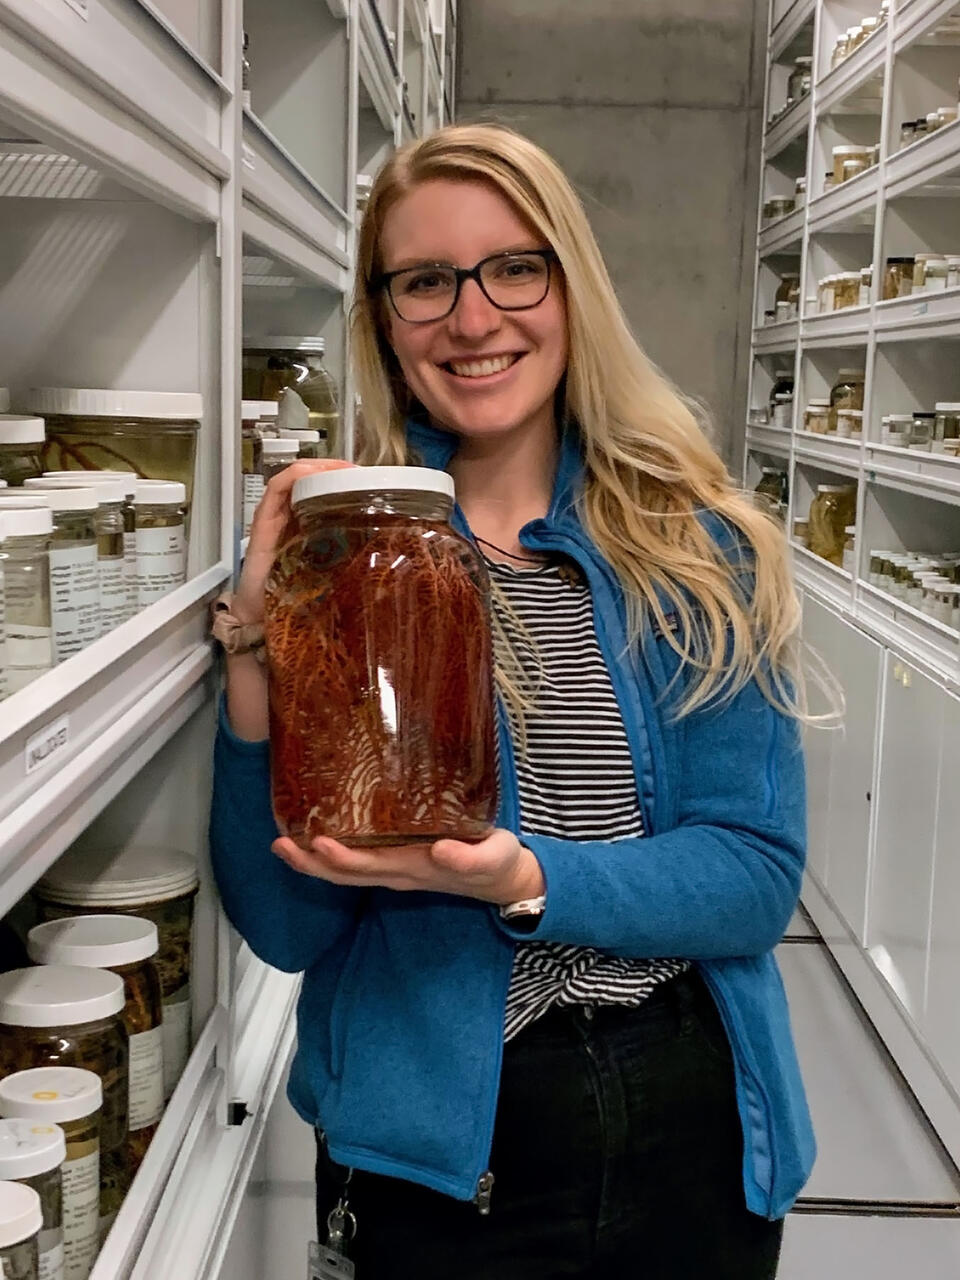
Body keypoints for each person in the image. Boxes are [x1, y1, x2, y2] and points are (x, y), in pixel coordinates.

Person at [210, 122, 814, 1279]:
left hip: (687, 1123)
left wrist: (523, 877)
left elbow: (750, 875)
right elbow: (286, 924)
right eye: (425, 280)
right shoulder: (345, 560)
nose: (474, 317)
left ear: (570, 285)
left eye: (514, 266)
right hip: (438, 1159)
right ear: (385, 317)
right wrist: (256, 642)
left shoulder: (696, 551)